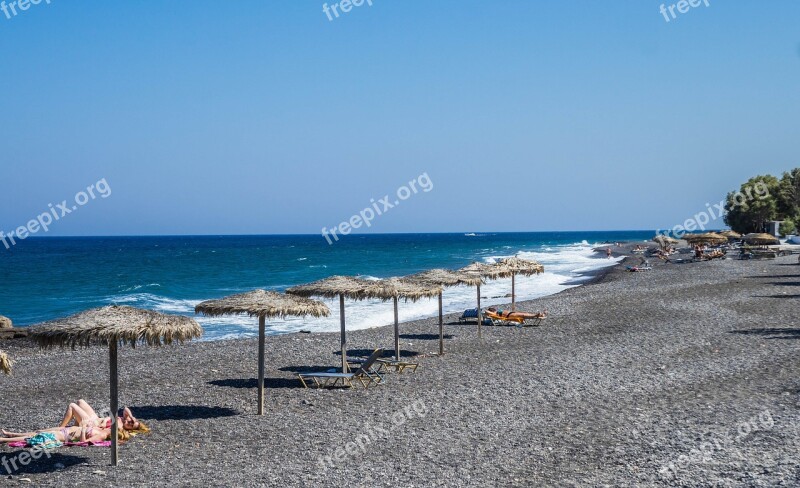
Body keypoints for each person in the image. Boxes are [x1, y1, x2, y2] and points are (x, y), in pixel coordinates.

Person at [2, 400, 148, 438]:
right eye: (131, 421)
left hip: (92, 423)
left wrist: (105, 422)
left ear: (129, 429)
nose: (129, 422)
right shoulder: (124, 420)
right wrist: (133, 419)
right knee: (80, 401)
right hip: (95, 418)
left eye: (131, 424)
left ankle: (62, 427)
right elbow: (126, 408)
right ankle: (71, 425)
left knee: (72, 406)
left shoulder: (120, 427)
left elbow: (104, 430)